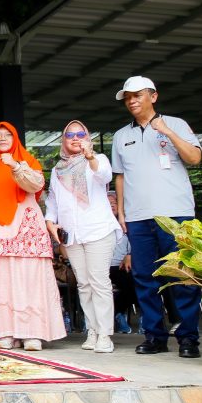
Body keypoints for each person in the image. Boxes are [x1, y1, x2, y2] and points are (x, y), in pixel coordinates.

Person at [112, 75, 202, 358]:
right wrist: (122, 212)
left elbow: (195, 158)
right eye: (128, 97)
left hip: (176, 215)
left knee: (182, 275)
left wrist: (166, 131)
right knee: (144, 278)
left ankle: (188, 338)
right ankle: (154, 336)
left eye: (137, 95)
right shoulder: (121, 136)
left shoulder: (176, 124)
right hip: (138, 217)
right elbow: (119, 177)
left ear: (153, 96)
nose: (132, 101)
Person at [0, 121, 66, 351]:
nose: (2, 139)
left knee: (29, 280)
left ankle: (32, 333)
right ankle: (4, 332)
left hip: (26, 227)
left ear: (15, 139)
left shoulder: (27, 160)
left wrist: (15, 166)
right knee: (0, 280)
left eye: (8, 135)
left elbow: (35, 185)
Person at [45, 120, 121, 353]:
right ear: (64, 140)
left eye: (80, 134)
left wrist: (90, 157)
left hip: (98, 230)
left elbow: (104, 175)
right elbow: (53, 201)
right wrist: (50, 222)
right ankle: (93, 330)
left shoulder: (98, 160)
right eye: (70, 135)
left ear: (88, 138)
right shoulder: (57, 170)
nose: (75, 138)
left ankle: (105, 334)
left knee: (99, 282)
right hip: (73, 234)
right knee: (84, 284)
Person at [107, 191, 135, 334]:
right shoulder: (99, 224)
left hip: (120, 266)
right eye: (108, 203)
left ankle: (117, 313)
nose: (112, 206)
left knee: (135, 281)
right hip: (101, 266)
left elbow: (136, 245)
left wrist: (130, 255)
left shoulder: (126, 225)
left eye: (114, 203)